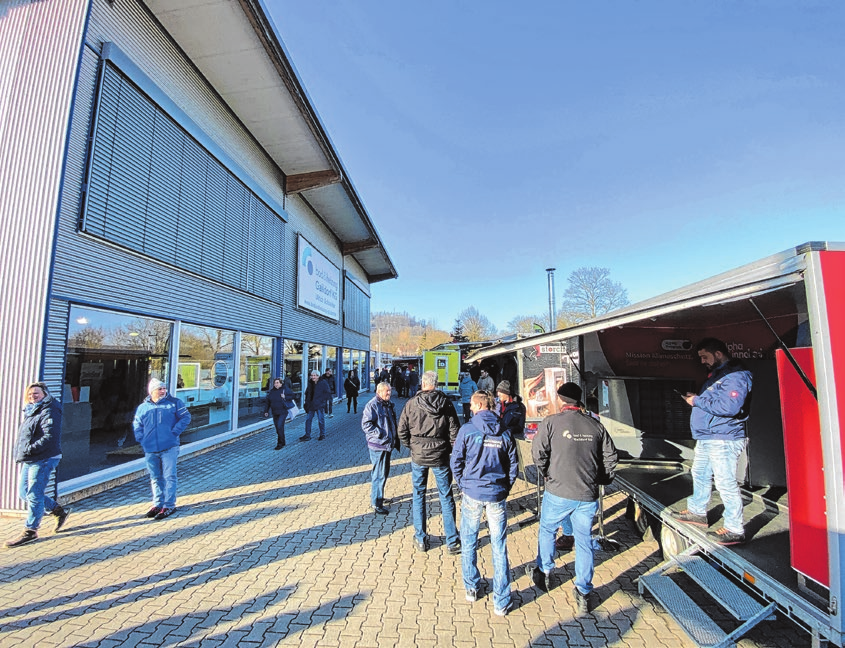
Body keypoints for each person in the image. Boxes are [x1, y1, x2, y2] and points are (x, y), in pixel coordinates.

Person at [528, 381, 617, 615]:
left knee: (547, 530)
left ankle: (545, 572)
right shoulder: (595, 425)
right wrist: (602, 479)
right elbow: (611, 457)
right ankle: (584, 591)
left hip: (557, 490)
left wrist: (546, 472)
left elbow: (537, 452)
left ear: (560, 399)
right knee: (584, 540)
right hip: (586, 494)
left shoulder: (551, 423)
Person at [671, 337, 753, 546]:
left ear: (718, 354)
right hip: (709, 436)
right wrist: (697, 399)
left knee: (725, 482)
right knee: (699, 472)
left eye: (704, 356)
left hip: (723, 438)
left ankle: (734, 528)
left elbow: (729, 407)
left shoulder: (735, 376)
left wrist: (697, 400)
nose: (702, 361)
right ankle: (697, 511)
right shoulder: (718, 375)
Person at [451, 391, 518, 615]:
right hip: (496, 494)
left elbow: (456, 461)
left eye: (472, 404)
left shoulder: (467, 430)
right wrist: (504, 488)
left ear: (480, 405)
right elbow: (513, 466)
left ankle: (471, 587)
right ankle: (501, 601)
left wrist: (463, 484)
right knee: (499, 545)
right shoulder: (505, 432)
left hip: (473, 492)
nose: (470, 408)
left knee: (469, 539)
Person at [397, 370, 462, 554]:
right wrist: (449, 449)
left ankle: (421, 539)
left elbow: (401, 430)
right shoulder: (446, 403)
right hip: (440, 454)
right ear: (436, 383)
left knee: (419, 495)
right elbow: (454, 431)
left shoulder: (411, 404)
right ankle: (452, 541)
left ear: (423, 383)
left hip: (418, 455)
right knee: (446, 495)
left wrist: (413, 446)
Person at [5, 382, 70, 548]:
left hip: (44, 457)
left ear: (44, 394)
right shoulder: (32, 410)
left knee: (34, 493)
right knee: (24, 492)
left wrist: (29, 449)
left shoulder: (50, 410)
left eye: (36, 393)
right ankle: (58, 511)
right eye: (30, 394)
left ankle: (31, 530)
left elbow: (49, 437)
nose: (32, 396)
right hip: (31, 457)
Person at [132, 378, 191, 520]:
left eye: (164, 388)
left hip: (169, 447)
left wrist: (174, 432)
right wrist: (141, 438)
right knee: (155, 477)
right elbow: (137, 423)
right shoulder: (143, 407)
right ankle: (157, 504)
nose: (163, 391)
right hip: (151, 449)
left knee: (169, 476)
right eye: (160, 389)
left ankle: (169, 505)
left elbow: (186, 417)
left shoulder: (174, 403)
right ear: (152, 391)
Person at [361, 381, 399, 514]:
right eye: (386, 391)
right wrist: (381, 434)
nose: (389, 393)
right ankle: (376, 502)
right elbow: (366, 425)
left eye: (390, 390)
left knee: (384, 472)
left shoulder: (388, 404)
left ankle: (379, 496)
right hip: (378, 445)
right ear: (379, 391)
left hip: (387, 444)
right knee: (378, 474)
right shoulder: (372, 405)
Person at [301, 370, 332, 441]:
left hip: (319, 404)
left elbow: (327, 393)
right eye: (312, 375)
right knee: (308, 420)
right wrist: (307, 402)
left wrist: (323, 401)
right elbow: (307, 393)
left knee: (321, 420)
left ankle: (322, 434)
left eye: (314, 375)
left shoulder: (323, 383)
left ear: (318, 376)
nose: (313, 377)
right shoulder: (310, 383)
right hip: (311, 405)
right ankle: (307, 435)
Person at [264, 377, 294, 449]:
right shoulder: (272, 392)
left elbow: (293, 395)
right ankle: (282, 441)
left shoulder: (285, 389)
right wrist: (266, 411)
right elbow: (268, 402)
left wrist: (285, 396)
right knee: (277, 428)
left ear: (281, 383)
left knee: (280, 426)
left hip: (283, 411)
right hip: (275, 412)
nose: (276, 384)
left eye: (277, 383)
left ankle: (279, 443)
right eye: (275, 383)